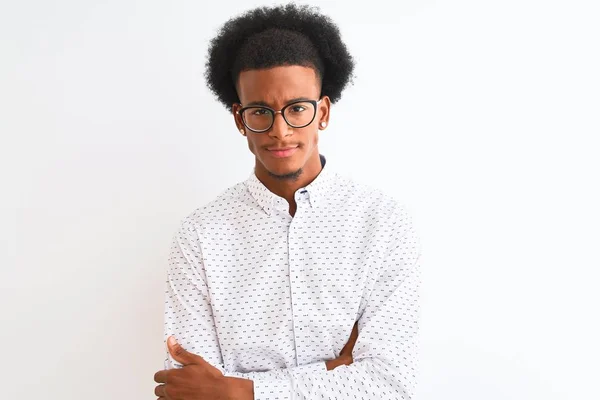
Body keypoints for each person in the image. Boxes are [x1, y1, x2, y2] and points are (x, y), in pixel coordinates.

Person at [153, 4, 422, 399]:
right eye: (261, 111)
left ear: (323, 112)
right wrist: (332, 372)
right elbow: (190, 391)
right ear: (239, 119)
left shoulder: (383, 224)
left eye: (297, 108)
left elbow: (390, 384)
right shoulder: (200, 236)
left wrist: (243, 391)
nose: (280, 130)